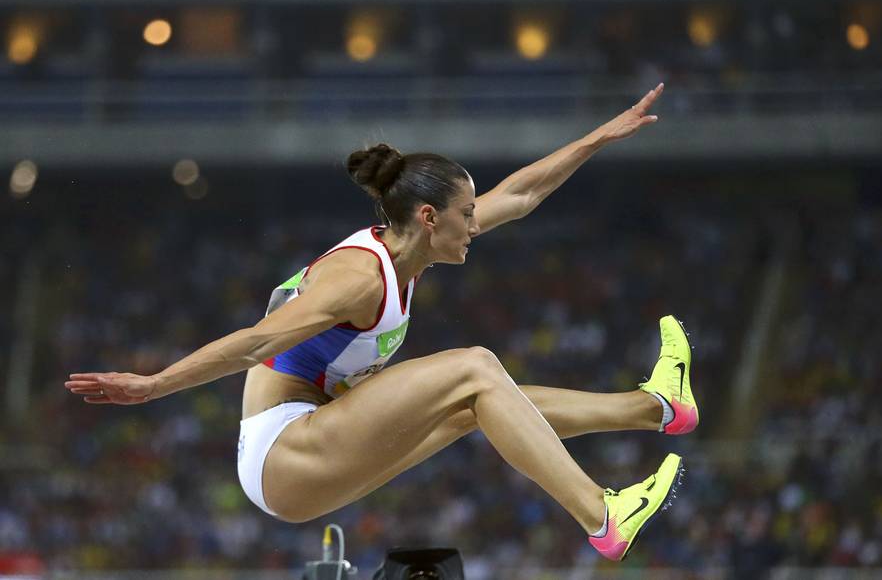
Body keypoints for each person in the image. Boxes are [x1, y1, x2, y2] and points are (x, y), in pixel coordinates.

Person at [65, 83, 699, 561]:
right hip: (283, 454)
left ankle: (655, 408)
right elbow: (256, 343)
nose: (478, 224)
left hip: (312, 441)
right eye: (467, 214)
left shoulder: (410, 253)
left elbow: (524, 194)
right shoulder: (361, 278)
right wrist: (153, 386)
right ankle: (601, 515)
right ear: (429, 217)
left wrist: (599, 137)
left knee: (478, 403)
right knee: (475, 368)